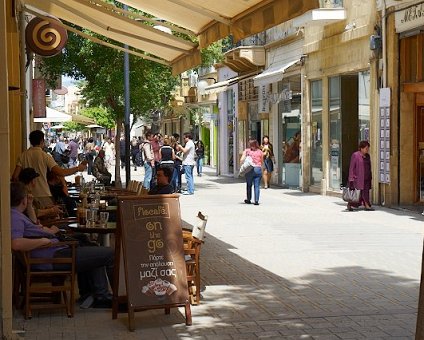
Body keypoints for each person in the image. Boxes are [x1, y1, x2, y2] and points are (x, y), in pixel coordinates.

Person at [10, 182, 114, 308]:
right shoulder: (15, 218)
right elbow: (16, 243)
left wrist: (30, 205)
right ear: (23, 200)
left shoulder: (16, 214)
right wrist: (42, 241)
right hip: (53, 256)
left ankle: (92, 295)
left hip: (53, 253)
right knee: (110, 254)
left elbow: (33, 224)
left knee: (93, 249)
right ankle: (107, 298)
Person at [11, 130, 87, 208]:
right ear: (42, 141)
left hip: (27, 196)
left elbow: (15, 177)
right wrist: (77, 168)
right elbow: (61, 172)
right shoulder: (45, 156)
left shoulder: (23, 156)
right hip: (44, 193)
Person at [347, 140, 373, 211]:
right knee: (357, 193)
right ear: (361, 148)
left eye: (368, 148)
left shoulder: (367, 156)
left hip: (366, 178)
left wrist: (370, 176)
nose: (367, 150)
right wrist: (351, 178)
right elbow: (352, 167)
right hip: (358, 178)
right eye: (366, 148)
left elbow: (369, 166)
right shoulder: (355, 155)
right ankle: (350, 204)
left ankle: (367, 205)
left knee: (366, 192)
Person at [240, 139, 263, 205]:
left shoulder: (247, 151)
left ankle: (248, 199)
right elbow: (261, 161)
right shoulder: (260, 152)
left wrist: (242, 164)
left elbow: (241, 160)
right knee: (257, 186)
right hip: (258, 169)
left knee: (249, 185)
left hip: (249, 169)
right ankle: (256, 201)